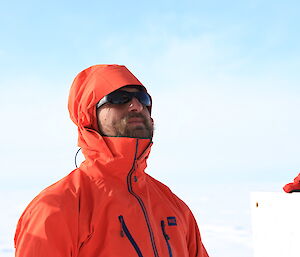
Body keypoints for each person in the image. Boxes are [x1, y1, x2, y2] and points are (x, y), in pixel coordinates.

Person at [14, 64, 209, 257]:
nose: (136, 106)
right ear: (89, 115)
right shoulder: (58, 207)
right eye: (119, 98)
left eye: (142, 98)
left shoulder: (173, 206)